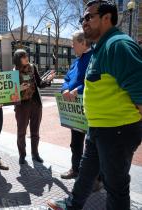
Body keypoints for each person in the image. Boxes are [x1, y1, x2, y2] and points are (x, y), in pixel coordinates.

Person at [47, 1, 142, 210]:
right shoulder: (100, 48)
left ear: (107, 17)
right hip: (98, 128)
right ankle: (72, 204)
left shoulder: (118, 45)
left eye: (89, 17)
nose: (84, 22)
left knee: (115, 186)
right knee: (87, 171)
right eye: (83, 19)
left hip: (117, 130)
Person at [60, 30, 92, 179]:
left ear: (84, 42)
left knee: (93, 146)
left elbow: (94, 81)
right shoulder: (76, 61)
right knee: (76, 143)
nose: (72, 46)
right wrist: (65, 89)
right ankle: (75, 169)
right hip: (75, 113)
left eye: (74, 43)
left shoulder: (94, 58)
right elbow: (67, 79)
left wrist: (76, 91)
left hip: (91, 110)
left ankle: (95, 177)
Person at [13, 49, 55, 165]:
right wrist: (18, 88)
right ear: (18, 59)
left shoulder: (33, 67)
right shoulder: (13, 72)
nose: (26, 58)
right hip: (22, 106)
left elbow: (40, 83)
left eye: (27, 56)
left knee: (35, 131)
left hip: (35, 104)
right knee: (21, 131)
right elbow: (10, 92)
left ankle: (35, 154)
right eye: (23, 56)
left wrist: (48, 80)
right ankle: (22, 155)